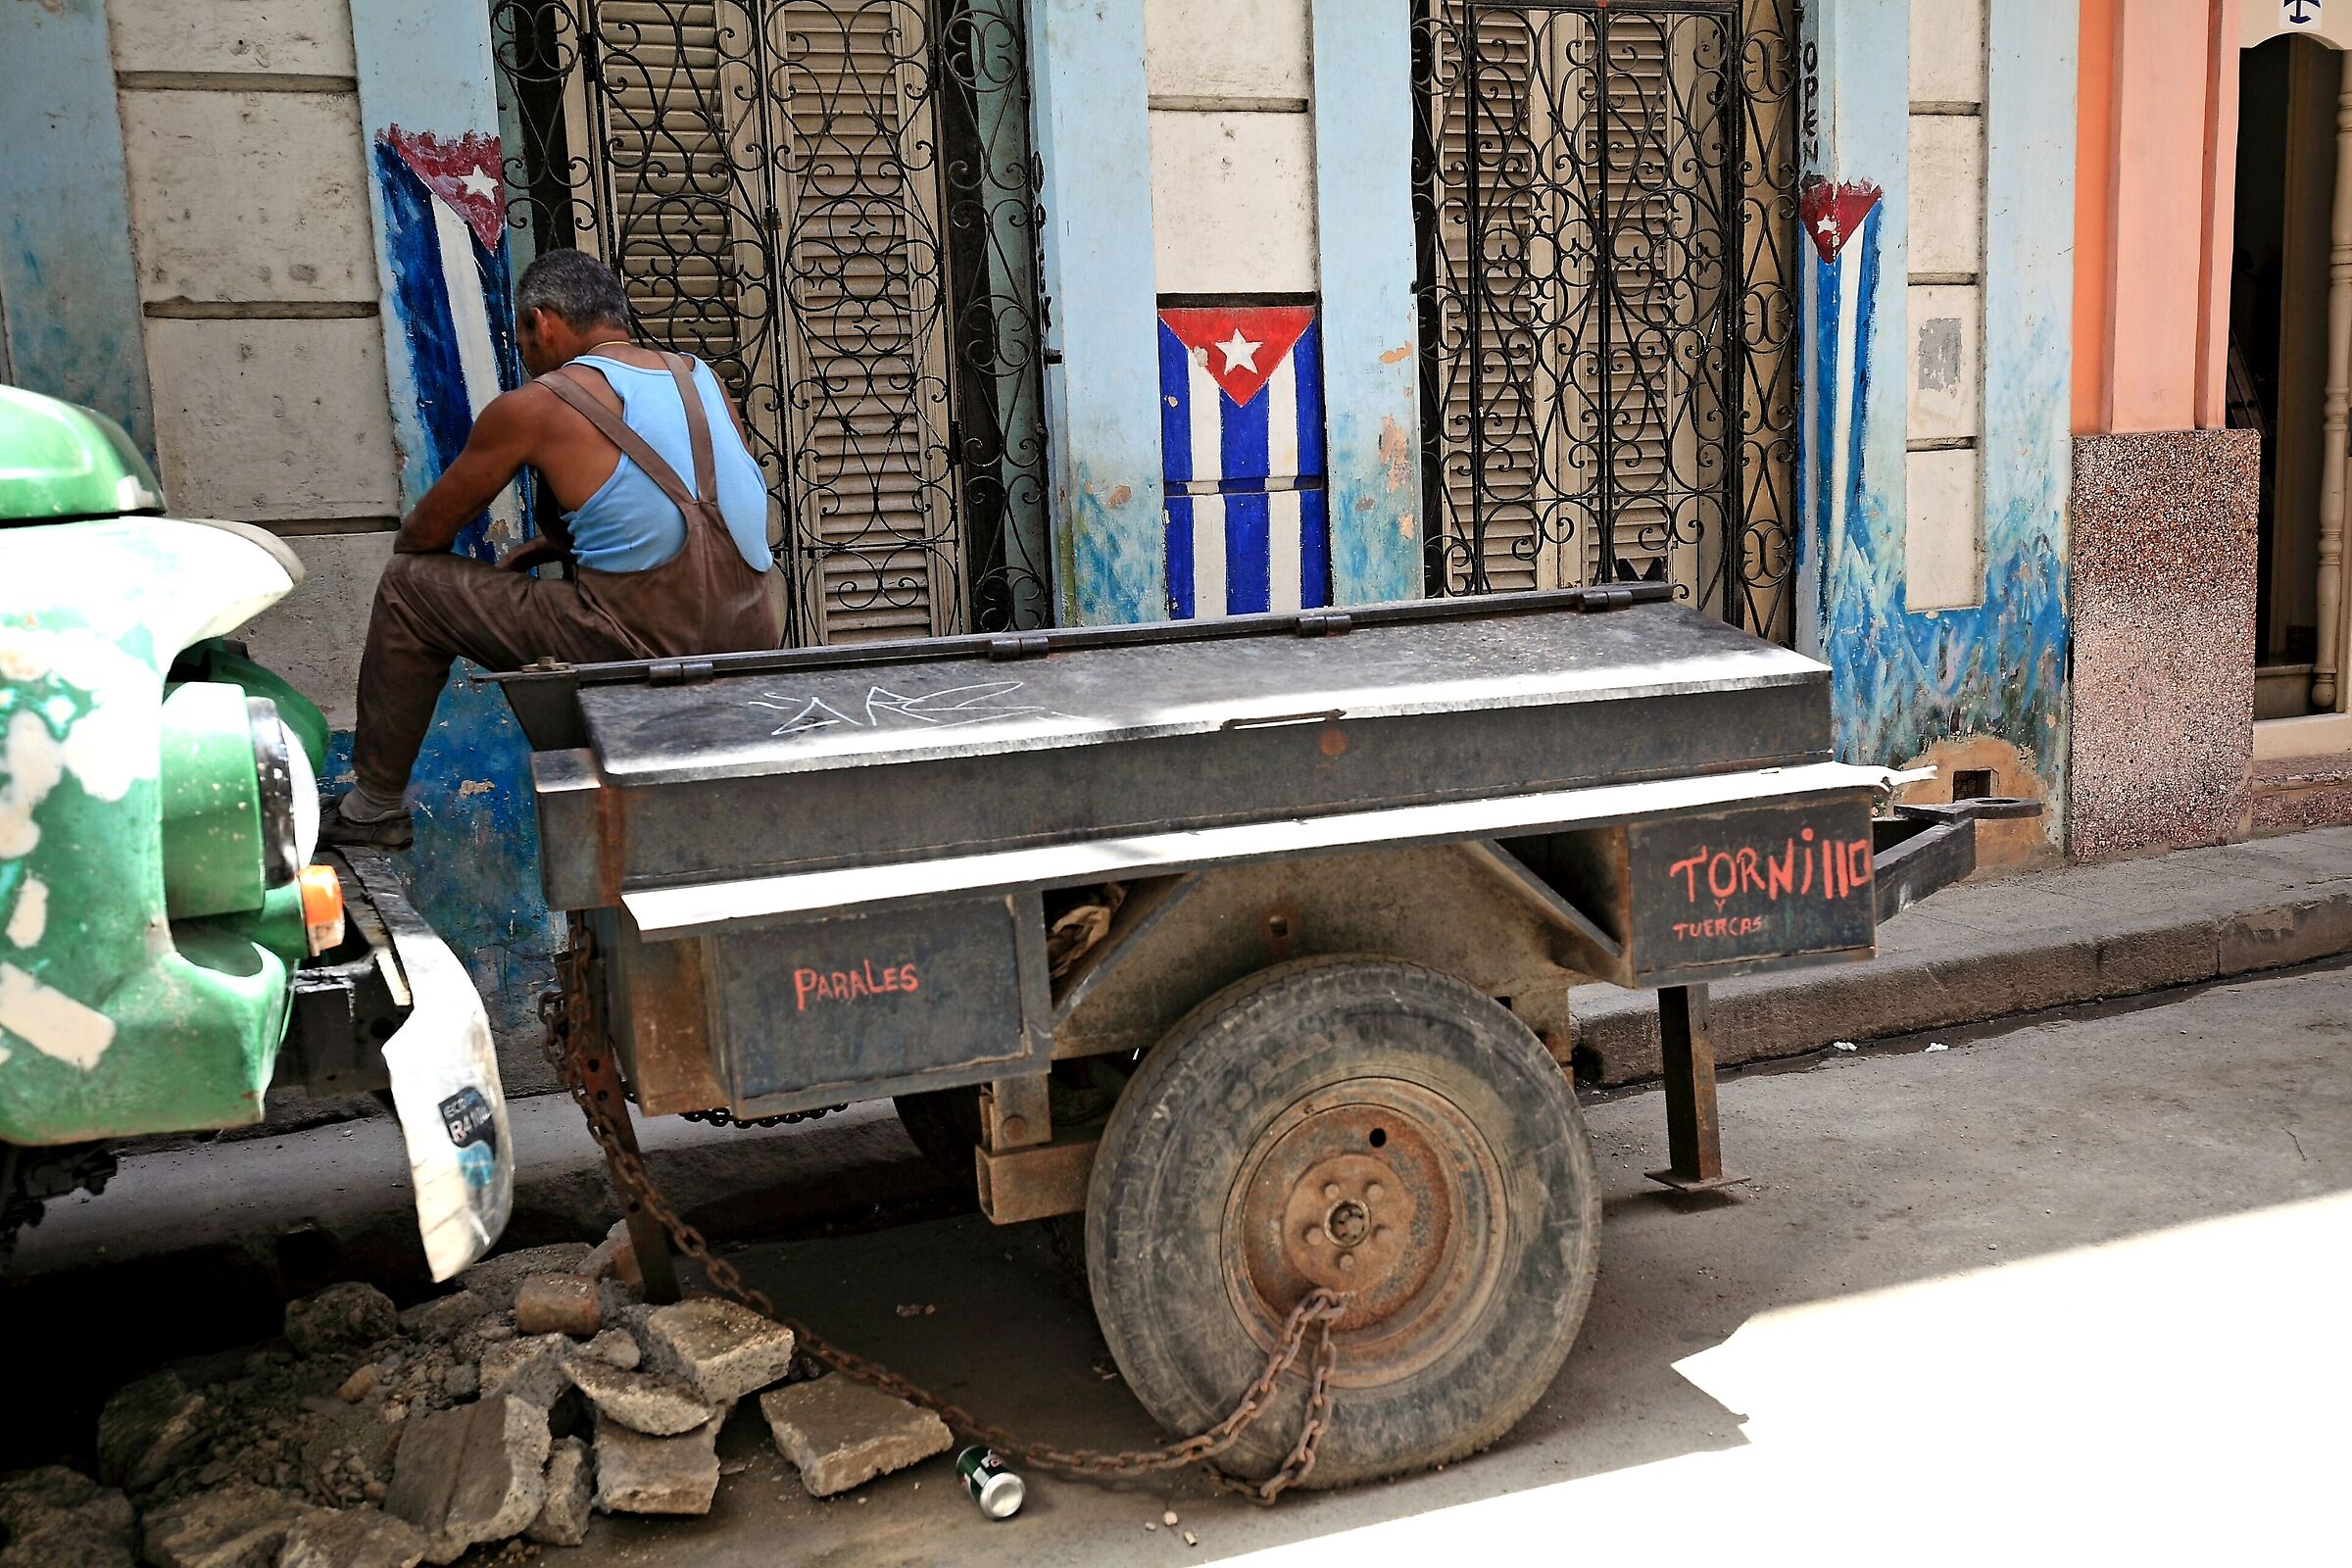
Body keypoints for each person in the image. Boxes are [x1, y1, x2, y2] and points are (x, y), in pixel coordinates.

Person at [325, 250, 780, 848]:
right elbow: (687, 516)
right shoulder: (703, 382)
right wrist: (547, 547)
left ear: (542, 322)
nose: (526, 356)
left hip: (636, 641)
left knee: (410, 587)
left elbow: (422, 539)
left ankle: (374, 806)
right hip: (752, 632)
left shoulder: (536, 405)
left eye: (523, 338)